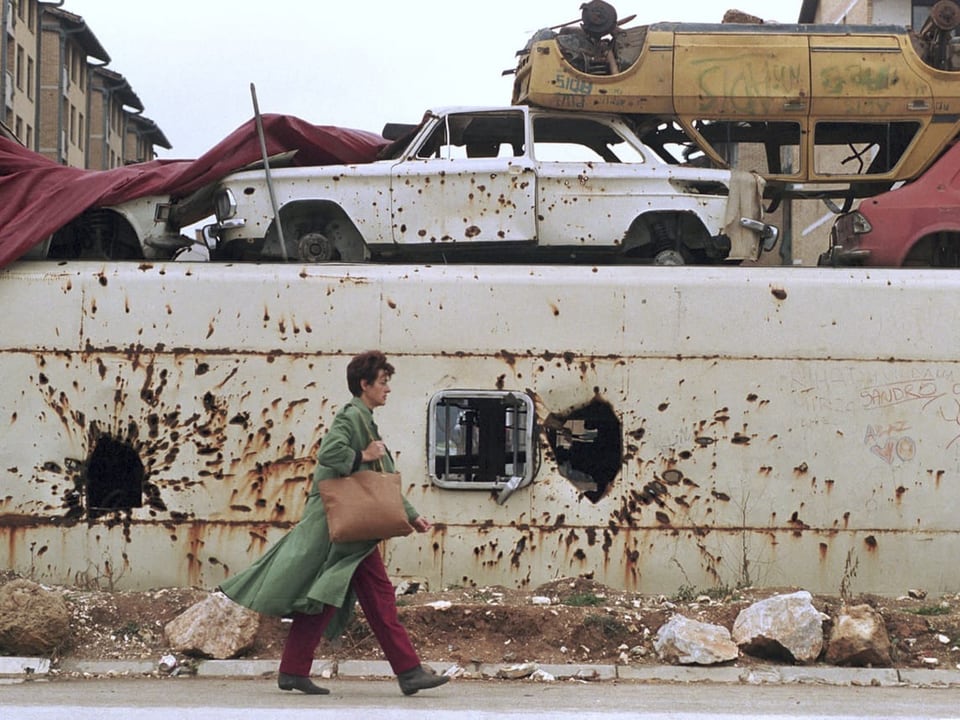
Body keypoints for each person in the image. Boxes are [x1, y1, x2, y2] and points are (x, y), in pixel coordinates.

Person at [219, 351, 449, 696]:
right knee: (373, 598)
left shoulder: (365, 419)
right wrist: (362, 455)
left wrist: (411, 514)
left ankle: (295, 670)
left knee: (331, 597)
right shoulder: (351, 417)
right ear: (364, 384)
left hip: (349, 530)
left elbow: (378, 480)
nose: (388, 389)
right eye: (383, 383)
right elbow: (330, 455)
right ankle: (408, 672)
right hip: (339, 528)